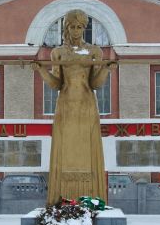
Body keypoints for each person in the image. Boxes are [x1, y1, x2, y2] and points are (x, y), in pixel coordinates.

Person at [32, 10, 117, 205]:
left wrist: (105, 69)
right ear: (66, 28)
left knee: (87, 150)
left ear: (84, 28)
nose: (76, 31)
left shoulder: (94, 52)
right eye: (72, 27)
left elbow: (95, 84)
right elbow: (56, 84)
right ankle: (60, 199)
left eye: (80, 27)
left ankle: (92, 199)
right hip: (66, 107)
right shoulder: (58, 52)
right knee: (65, 152)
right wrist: (41, 71)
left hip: (87, 106)